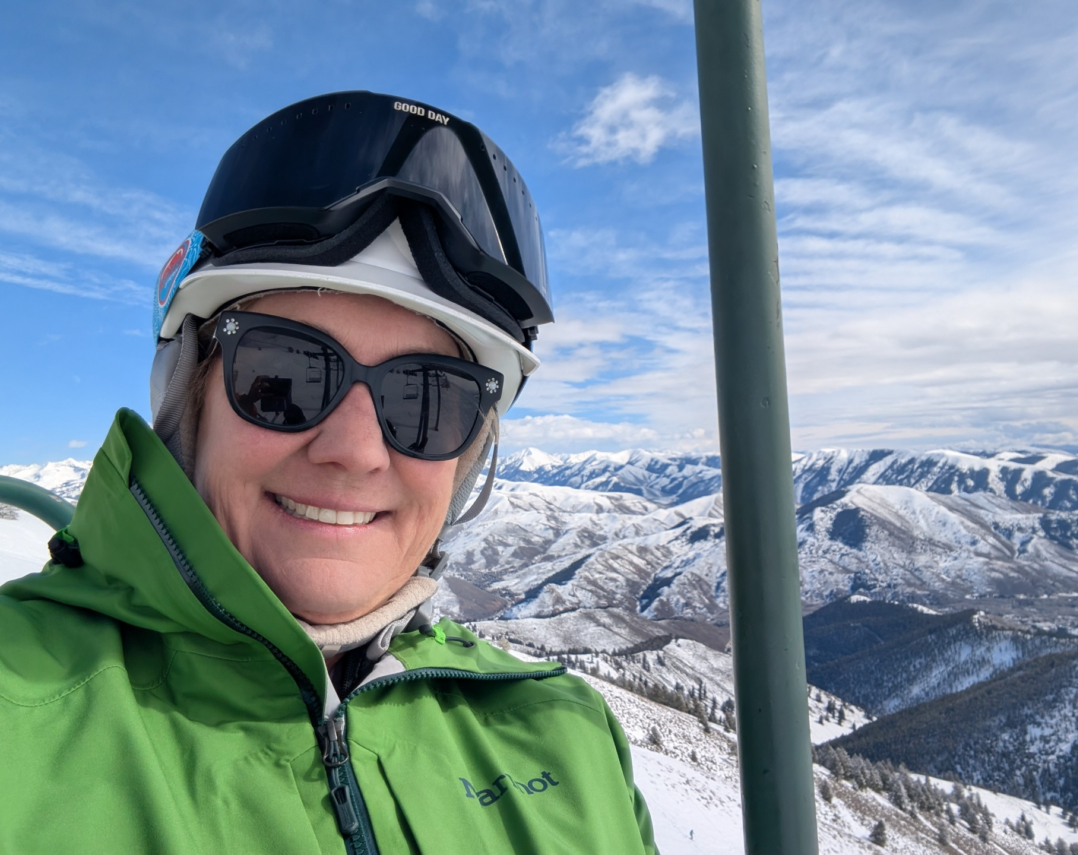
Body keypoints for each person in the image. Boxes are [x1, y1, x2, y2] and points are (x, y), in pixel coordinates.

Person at [0, 91, 657, 854]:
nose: (356, 449)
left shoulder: (569, 740)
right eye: (284, 376)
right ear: (191, 400)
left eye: (426, 401)